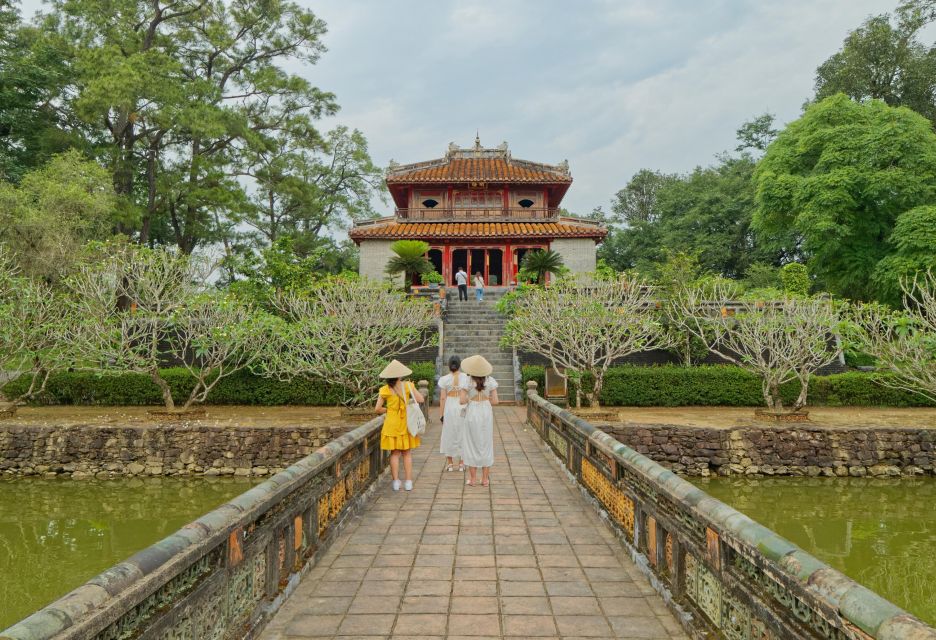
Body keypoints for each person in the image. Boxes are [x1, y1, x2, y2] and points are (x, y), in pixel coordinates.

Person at [375, 359, 424, 491]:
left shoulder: (384, 390)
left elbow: (377, 409)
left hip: (391, 424)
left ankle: (396, 481)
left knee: (394, 453)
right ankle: (408, 482)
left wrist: (389, 410)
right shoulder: (408, 386)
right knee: (407, 453)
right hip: (405, 423)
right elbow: (421, 399)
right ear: (400, 375)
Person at [459, 355, 498, 487]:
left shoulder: (467, 381)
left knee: (471, 443)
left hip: (473, 412)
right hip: (486, 411)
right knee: (486, 443)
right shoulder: (490, 381)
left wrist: (470, 397)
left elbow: (462, 401)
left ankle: (473, 479)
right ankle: (485, 479)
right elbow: (495, 401)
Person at [438, 355, 468, 472]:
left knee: (448, 433)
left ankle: (450, 464)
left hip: (450, 406)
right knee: (463, 433)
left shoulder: (444, 379)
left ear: (449, 365)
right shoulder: (466, 377)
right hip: (462, 405)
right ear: (460, 365)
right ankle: (461, 463)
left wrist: (441, 414)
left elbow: (442, 398)